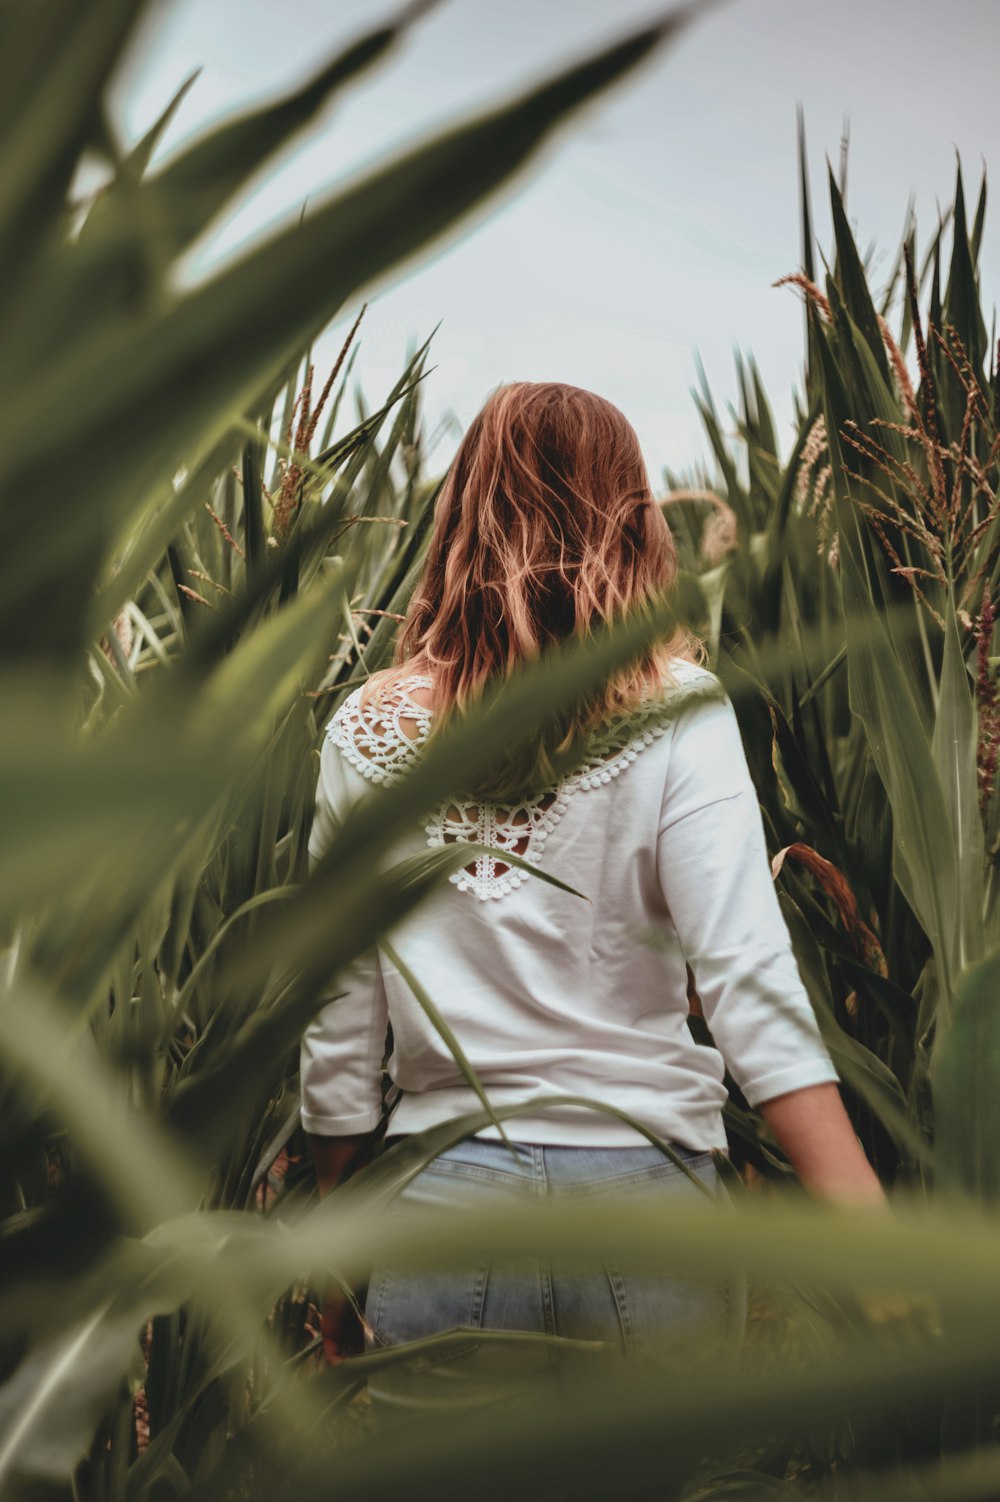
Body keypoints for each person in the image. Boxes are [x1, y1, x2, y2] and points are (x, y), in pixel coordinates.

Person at [299, 380, 886, 1407]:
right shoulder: (681, 714)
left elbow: (339, 1023)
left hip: (441, 1202)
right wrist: (886, 1260)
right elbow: (749, 987)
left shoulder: (368, 728)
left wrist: (344, 1268)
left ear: (461, 515)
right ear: (631, 518)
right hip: (647, 1204)